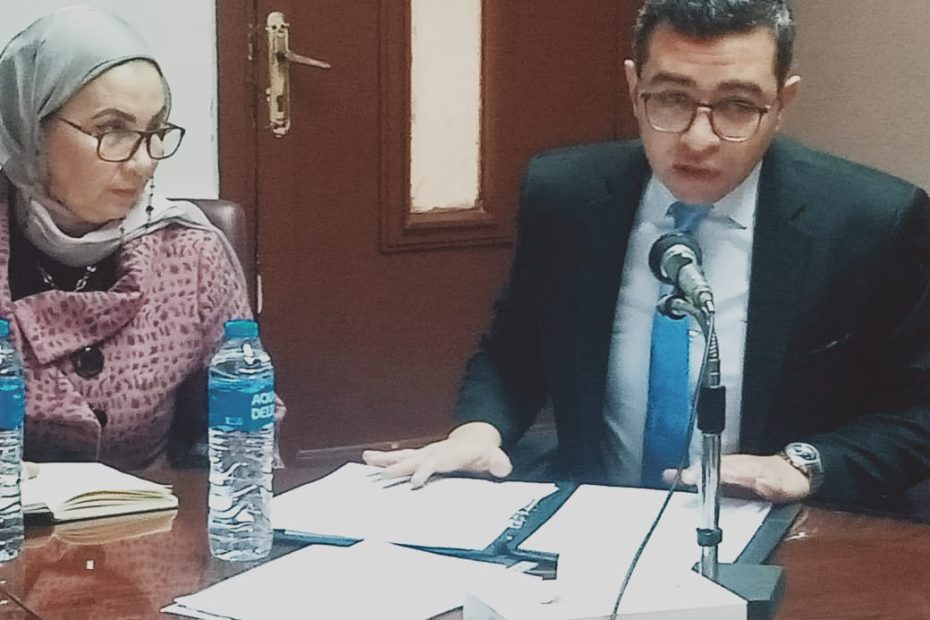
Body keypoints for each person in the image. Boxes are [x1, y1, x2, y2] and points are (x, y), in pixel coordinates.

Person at [365, 0, 930, 511]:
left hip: (784, 528)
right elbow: (515, 349)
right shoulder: (566, 194)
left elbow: (917, 413)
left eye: (738, 106)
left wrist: (800, 466)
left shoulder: (871, 221)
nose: (699, 139)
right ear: (635, 88)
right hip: (596, 518)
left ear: (782, 103)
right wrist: (479, 432)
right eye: (672, 99)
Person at [0, 6, 281, 470]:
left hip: (153, 513)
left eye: (154, 131)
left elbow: (239, 430)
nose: (144, 161)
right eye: (111, 130)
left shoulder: (189, 253)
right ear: (30, 125)